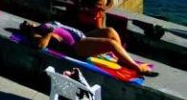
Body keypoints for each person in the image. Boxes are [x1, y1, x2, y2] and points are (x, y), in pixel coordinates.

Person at [17, 20, 154, 75]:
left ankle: (122, 59)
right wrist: (49, 33)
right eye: (24, 25)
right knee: (110, 43)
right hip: (76, 46)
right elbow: (40, 46)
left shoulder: (42, 24)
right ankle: (136, 67)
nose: (26, 23)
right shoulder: (36, 32)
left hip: (82, 36)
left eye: (25, 22)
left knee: (110, 31)